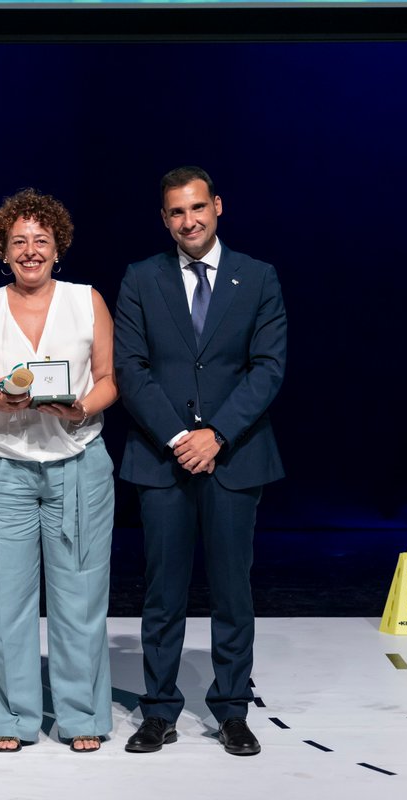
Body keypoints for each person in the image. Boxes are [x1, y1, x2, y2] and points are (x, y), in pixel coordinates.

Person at [114, 166, 285, 757]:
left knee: (232, 590)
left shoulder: (258, 278)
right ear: (165, 219)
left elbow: (267, 368)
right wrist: (179, 437)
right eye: (175, 213)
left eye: (197, 209)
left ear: (217, 206)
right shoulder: (141, 278)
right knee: (163, 591)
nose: (188, 221)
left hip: (234, 457)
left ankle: (232, 709)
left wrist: (215, 435)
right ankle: (158, 710)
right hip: (162, 461)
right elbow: (129, 369)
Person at [0, 189, 118, 753]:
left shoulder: (86, 300)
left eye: (41, 240)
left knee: (80, 599)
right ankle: (11, 719)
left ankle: (81, 714)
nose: (30, 250)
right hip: (0, 471)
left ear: (57, 246)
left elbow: (109, 378)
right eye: (19, 241)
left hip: (78, 467)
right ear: (3, 249)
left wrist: (82, 407)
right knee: (2, 601)